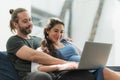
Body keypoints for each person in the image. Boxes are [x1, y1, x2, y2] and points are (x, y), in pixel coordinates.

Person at [31, 17, 120, 80]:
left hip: (87, 66)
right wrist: (62, 66)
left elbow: (83, 54)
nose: (59, 35)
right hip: (76, 71)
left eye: (61, 32)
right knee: (103, 70)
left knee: (104, 69)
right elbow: (37, 68)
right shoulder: (43, 49)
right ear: (47, 30)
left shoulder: (67, 42)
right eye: (56, 31)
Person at [6, 8, 78, 80]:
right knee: (43, 76)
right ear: (16, 24)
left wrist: (63, 41)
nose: (29, 23)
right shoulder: (13, 41)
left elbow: (53, 44)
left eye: (30, 20)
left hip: (50, 71)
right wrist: (65, 63)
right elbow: (34, 56)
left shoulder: (38, 39)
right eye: (25, 21)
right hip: (30, 75)